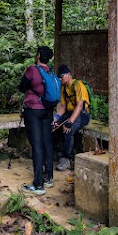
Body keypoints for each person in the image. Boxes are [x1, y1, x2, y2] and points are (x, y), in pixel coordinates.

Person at [19, 46, 55, 195]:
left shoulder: (32, 70)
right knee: (47, 142)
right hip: (48, 110)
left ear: (39, 55)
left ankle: (38, 184)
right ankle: (49, 178)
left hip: (33, 110)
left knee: (37, 144)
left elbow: (22, 87)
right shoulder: (50, 71)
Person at [53, 64, 90, 171]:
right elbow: (63, 107)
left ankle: (66, 158)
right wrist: (55, 119)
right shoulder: (64, 88)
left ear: (68, 75)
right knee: (55, 127)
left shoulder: (78, 85)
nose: (60, 79)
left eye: (62, 76)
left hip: (82, 114)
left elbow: (79, 106)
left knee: (68, 130)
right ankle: (57, 152)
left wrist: (70, 122)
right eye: (59, 77)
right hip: (69, 113)